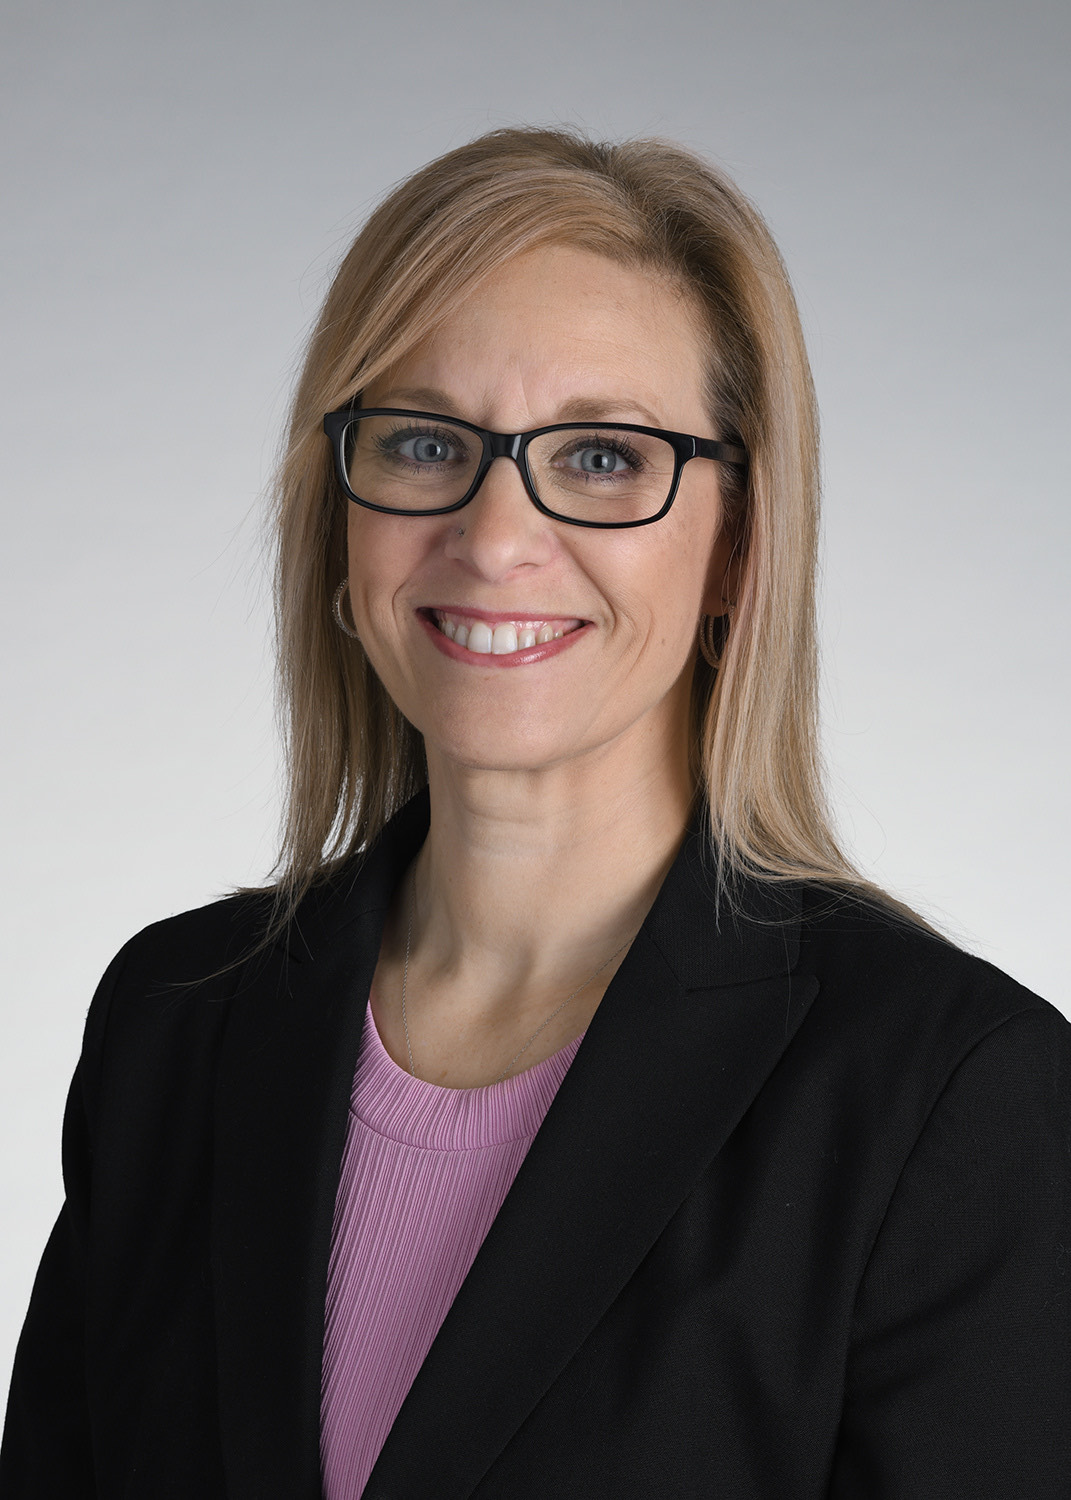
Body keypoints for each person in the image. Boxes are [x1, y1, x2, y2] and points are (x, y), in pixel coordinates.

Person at [2, 126, 1068, 1499]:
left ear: (739, 543)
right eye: (427, 440)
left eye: (607, 459)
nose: (496, 537)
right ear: (343, 511)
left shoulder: (946, 1099)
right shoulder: (172, 1025)